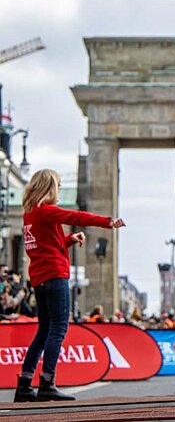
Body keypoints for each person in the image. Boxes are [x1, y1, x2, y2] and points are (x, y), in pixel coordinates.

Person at [14, 169, 125, 403]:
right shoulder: (46, 210)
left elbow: (43, 247)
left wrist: (69, 240)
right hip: (55, 275)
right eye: (58, 186)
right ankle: (47, 382)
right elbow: (76, 217)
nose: (60, 190)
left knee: (44, 330)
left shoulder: (30, 214)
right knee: (58, 328)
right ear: (50, 188)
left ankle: (24, 384)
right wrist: (107, 222)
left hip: (40, 277)